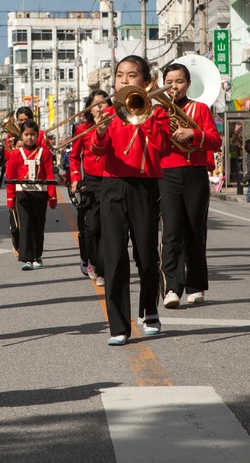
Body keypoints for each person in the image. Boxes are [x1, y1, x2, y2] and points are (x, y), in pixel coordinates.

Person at [89, 56, 170, 345]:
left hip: (145, 186)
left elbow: (160, 146)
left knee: (147, 256)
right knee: (114, 257)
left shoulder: (157, 113)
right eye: (120, 75)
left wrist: (145, 114)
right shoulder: (108, 113)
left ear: (145, 83)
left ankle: (149, 309)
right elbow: (97, 152)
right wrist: (99, 131)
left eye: (132, 75)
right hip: (112, 184)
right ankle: (118, 326)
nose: (124, 80)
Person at [158, 63, 222, 308]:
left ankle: (195, 286)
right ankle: (171, 288)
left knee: (196, 232)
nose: (174, 87)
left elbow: (215, 141)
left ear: (188, 84)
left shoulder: (200, 108)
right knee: (171, 231)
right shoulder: (158, 110)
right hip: (167, 174)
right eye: (169, 81)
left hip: (195, 174)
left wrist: (193, 135)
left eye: (179, 81)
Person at [68, 90, 111, 287]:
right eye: (96, 104)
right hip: (91, 181)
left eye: (104, 103)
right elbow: (74, 156)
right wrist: (76, 178)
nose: (101, 107)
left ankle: (103, 269)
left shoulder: (115, 125)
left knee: (108, 227)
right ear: (89, 108)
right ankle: (92, 261)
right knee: (92, 228)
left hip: (112, 180)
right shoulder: (82, 129)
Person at [6, 120, 57, 270]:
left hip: (40, 193)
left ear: (37, 135)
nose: (29, 138)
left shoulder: (45, 152)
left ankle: (37, 256)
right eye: (26, 134)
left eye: (33, 134)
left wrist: (52, 197)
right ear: (21, 136)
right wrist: (10, 198)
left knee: (38, 225)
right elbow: (11, 176)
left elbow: (49, 175)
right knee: (25, 225)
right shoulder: (15, 154)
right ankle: (27, 258)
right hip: (22, 194)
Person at [2, 106, 34, 256]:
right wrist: (15, 148)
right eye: (20, 120)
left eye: (25, 120)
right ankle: (17, 242)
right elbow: (6, 159)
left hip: (33, 181)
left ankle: (30, 248)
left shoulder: (35, 135)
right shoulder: (11, 136)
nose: (22, 123)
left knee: (31, 219)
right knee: (14, 220)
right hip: (15, 180)